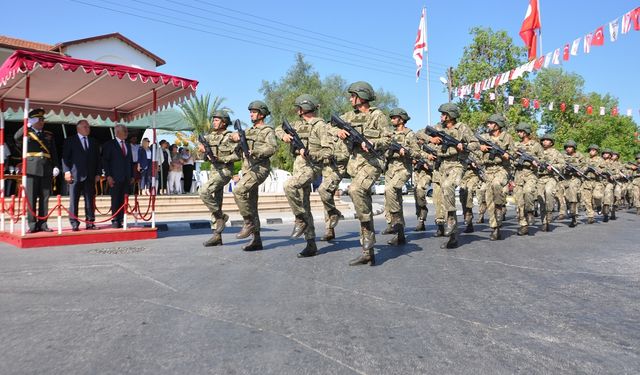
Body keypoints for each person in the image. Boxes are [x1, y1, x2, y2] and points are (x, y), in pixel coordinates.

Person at [335, 81, 391, 265]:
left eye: (353, 95)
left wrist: (374, 143)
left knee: (354, 190)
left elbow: (388, 138)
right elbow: (330, 125)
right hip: (356, 165)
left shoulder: (377, 116)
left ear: (362, 97)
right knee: (362, 200)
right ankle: (368, 252)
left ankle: (367, 231)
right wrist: (339, 132)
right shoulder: (349, 116)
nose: (350, 99)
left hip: (373, 162)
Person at [276, 94, 325, 257]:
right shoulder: (297, 125)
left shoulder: (320, 126)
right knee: (305, 206)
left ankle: (300, 219)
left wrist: (309, 153)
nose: (296, 110)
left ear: (304, 108)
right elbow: (277, 128)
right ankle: (311, 244)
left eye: (298, 107)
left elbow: (328, 150)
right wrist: (284, 136)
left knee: (288, 185)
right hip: (299, 168)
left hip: (312, 167)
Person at [429, 103, 478, 249]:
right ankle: (453, 237)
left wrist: (465, 146)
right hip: (441, 165)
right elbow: (420, 134)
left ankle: (451, 219)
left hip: (457, 164)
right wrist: (431, 140)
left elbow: (475, 144)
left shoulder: (462, 128)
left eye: (443, 114)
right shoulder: (439, 128)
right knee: (442, 196)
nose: (441, 116)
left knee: (448, 186)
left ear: (450, 115)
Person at [231, 100, 277, 251]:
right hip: (247, 170)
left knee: (238, 191)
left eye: (254, 111)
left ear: (262, 114)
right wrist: (236, 141)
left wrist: (255, 152)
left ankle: (248, 222)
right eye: (250, 111)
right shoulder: (248, 131)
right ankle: (256, 240)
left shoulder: (267, 130)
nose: (251, 114)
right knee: (252, 205)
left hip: (259, 169)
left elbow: (272, 148)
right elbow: (239, 153)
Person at [13, 108, 59, 233]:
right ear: (33, 120)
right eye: (39, 119)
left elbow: (54, 152)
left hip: (46, 169)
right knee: (31, 198)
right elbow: (16, 138)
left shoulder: (48, 135)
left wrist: (56, 165)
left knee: (45, 198)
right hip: (31, 170)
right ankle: (32, 225)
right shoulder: (26, 133)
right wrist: (26, 126)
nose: (42, 122)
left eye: (43, 119)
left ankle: (43, 223)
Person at [198, 110, 239, 247]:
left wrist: (222, 158)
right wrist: (202, 150)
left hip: (225, 171)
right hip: (213, 171)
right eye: (213, 120)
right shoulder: (209, 137)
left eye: (216, 120)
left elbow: (238, 155)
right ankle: (217, 236)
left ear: (224, 122)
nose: (214, 122)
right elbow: (203, 156)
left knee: (203, 192)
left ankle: (220, 217)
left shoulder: (229, 136)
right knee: (216, 202)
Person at [381, 108, 421, 246]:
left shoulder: (409, 134)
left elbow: (417, 153)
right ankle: (400, 234)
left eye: (394, 117)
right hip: (390, 169)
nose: (391, 119)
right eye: (391, 117)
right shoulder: (389, 134)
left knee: (389, 189)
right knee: (393, 198)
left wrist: (406, 151)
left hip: (403, 168)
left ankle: (396, 221)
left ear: (402, 119)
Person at [478, 114, 514, 241]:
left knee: (496, 184)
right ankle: (495, 228)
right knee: (488, 200)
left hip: (501, 169)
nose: (488, 125)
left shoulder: (507, 137)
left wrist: (507, 155)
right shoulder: (484, 137)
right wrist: (480, 148)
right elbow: (473, 150)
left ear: (497, 125)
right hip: (488, 170)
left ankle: (500, 206)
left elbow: (514, 152)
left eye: (490, 123)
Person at [317, 106, 350, 242]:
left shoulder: (344, 133)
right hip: (326, 169)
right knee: (326, 197)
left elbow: (346, 154)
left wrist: (332, 155)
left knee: (323, 190)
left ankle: (335, 213)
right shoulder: (326, 131)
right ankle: (329, 229)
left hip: (338, 168)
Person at [62, 120, 101, 231]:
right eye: (85, 127)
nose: (88, 129)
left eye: (88, 127)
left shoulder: (93, 141)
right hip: (75, 175)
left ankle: (90, 222)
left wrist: (98, 173)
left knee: (89, 200)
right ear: (78, 128)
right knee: (74, 200)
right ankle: (74, 222)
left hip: (90, 175)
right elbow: (65, 157)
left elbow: (98, 158)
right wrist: (67, 171)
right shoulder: (70, 141)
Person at [512, 123, 543, 236]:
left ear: (526, 132)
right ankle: (523, 225)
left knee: (528, 191)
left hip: (530, 173)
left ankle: (530, 211)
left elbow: (542, 159)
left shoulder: (536, 145)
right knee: (519, 201)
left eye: (520, 131)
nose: (518, 133)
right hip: (518, 174)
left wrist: (536, 163)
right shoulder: (516, 145)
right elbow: (510, 158)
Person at [102, 124, 134, 228]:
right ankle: (115, 220)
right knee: (115, 199)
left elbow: (130, 161)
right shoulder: (109, 144)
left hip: (126, 177)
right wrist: (108, 176)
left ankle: (122, 219)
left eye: (126, 131)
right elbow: (105, 161)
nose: (126, 133)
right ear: (117, 132)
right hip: (115, 177)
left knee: (124, 199)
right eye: (124, 131)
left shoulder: (127, 145)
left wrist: (132, 175)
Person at [537, 134, 564, 232]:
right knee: (540, 198)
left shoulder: (556, 152)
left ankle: (549, 211)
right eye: (543, 140)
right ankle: (544, 222)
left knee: (548, 192)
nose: (545, 142)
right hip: (539, 178)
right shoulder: (537, 151)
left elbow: (562, 164)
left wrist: (553, 166)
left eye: (547, 140)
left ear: (551, 142)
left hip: (551, 177)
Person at [412, 129, 434, 232]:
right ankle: (421, 220)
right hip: (417, 174)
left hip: (427, 174)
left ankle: (423, 212)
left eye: (422, 139)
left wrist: (428, 164)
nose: (419, 140)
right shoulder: (415, 148)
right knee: (416, 195)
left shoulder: (430, 148)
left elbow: (435, 161)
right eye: (419, 139)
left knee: (420, 190)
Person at [562, 140, 586, 228]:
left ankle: (573, 217)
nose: (568, 149)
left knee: (573, 191)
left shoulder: (580, 156)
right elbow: (559, 164)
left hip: (575, 178)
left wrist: (581, 171)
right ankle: (569, 209)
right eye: (567, 147)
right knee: (565, 196)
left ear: (574, 148)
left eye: (570, 147)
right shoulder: (563, 156)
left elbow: (585, 166)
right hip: (565, 178)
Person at [581, 144, 605, 224]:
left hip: (597, 181)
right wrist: (586, 169)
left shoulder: (600, 160)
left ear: (597, 151)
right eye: (590, 150)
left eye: (594, 150)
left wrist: (598, 170)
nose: (592, 152)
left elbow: (605, 169)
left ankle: (598, 206)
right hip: (587, 181)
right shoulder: (586, 159)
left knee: (597, 196)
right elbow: (581, 168)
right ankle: (590, 216)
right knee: (587, 200)